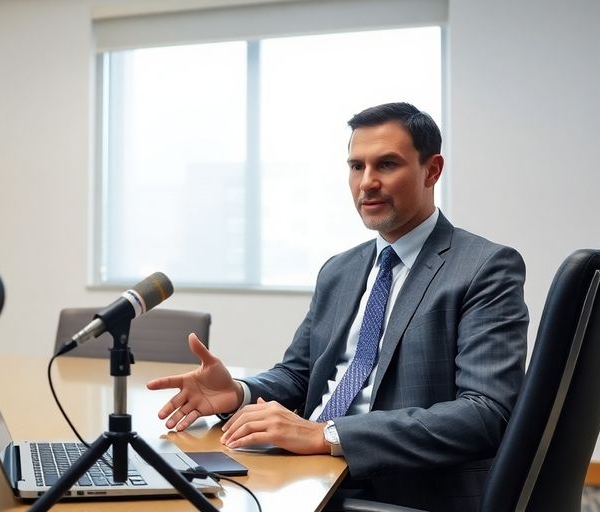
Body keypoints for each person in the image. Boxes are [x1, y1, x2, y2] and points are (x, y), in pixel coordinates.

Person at [146, 102, 529, 510]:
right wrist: (239, 393)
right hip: (304, 469)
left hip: (399, 489)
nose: (367, 183)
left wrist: (330, 434)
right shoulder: (339, 270)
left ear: (432, 170)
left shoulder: (484, 267)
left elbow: (485, 415)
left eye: (386, 164)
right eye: (356, 166)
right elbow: (299, 374)